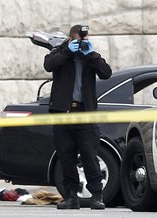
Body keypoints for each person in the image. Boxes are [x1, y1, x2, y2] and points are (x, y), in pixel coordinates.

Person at [44, 24, 112, 210]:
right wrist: (67, 51)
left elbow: (106, 73)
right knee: (66, 157)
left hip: (85, 113)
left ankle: (97, 196)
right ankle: (71, 197)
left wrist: (91, 54)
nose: (83, 43)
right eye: (80, 40)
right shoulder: (60, 52)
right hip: (63, 114)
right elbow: (48, 65)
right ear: (71, 38)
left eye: (86, 39)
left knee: (90, 156)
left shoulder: (90, 56)